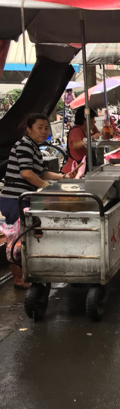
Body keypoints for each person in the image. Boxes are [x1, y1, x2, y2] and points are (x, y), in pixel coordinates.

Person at [0, 114, 80, 288]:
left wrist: (64, 177)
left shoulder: (33, 147)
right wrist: (46, 187)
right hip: (15, 199)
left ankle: (28, 273)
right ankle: (18, 279)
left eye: (46, 128)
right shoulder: (24, 146)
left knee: (26, 236)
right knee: (17, 240)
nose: (44, 131)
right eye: (39, 127)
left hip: (24, 197)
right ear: (29, 129)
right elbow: (26, 173)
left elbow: (43, 172)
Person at [61, 106, 100, 174]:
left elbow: (98, 134)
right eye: (93, 118)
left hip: (81, 169)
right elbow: (75, 145)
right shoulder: (76, 130)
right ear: (85, 119)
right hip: (72, 171)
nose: (95, 121)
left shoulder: (86, 131)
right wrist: (92, 138)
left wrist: (92, 125)